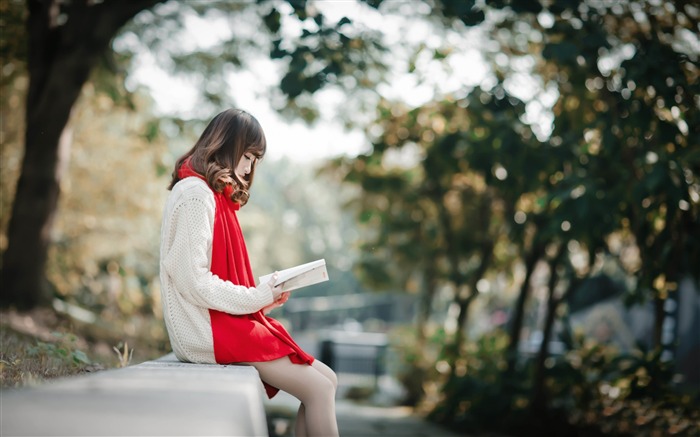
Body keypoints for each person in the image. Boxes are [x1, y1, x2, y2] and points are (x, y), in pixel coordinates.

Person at [159, 108, 339, 437]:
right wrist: (256, 296)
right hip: (207, 332)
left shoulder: (209, 194)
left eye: (256, 159)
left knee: (327, 381)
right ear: (225, 145)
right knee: (320, 389)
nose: (249, 166)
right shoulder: (196, 195)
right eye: (248, 155)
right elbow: (192, 280)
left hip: (219, 323)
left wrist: (261, 299)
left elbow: (207, 277)